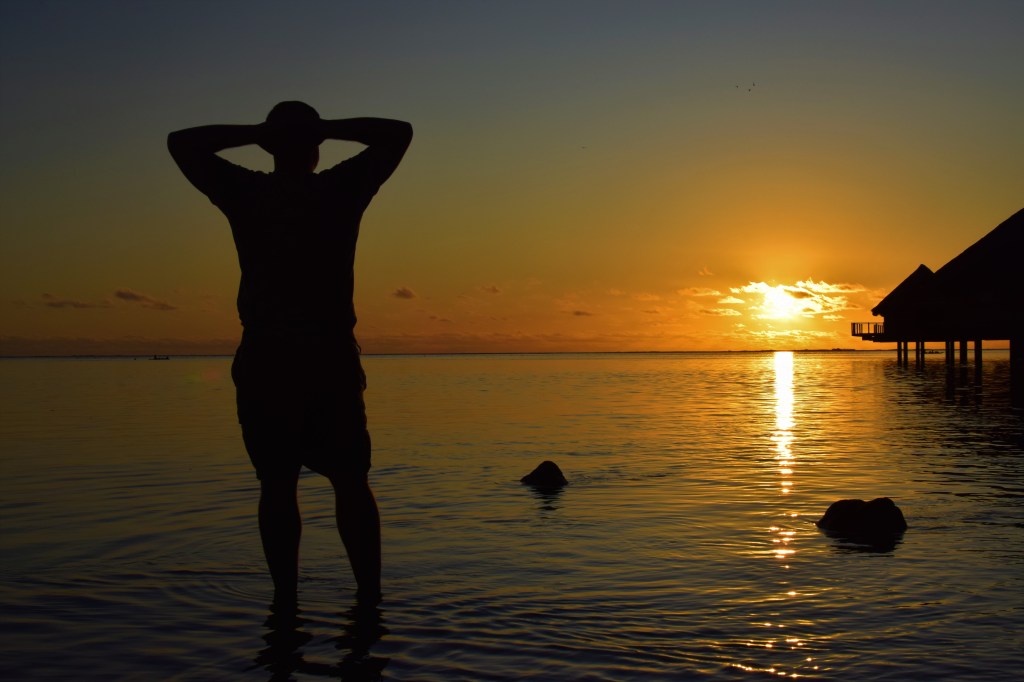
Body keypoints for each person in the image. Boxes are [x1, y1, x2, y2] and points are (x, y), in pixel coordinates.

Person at [168, 102, 412, 606]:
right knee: (347, 480)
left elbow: (183, 142)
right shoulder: (334, 190)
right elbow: (397, 132)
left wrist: (267, 132)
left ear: (272, 146)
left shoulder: (249, 193)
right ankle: (367, 599)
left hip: (274, 355)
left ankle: (287, 603)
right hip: (318, 355)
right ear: (317, 152)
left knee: (282, 483)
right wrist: (310, 129)